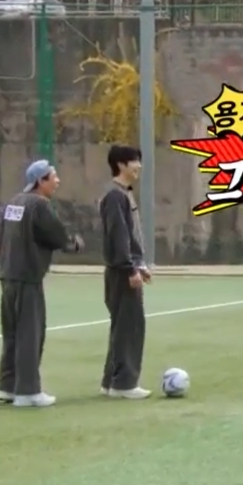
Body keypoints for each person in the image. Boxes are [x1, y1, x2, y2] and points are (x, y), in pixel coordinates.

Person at [0, 159, 84, 408]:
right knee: (30, 333)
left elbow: (0, 237)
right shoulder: (39, 205)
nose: (57, 181)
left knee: (12, 333)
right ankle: (28, 391)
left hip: (8, 275)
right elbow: (57, 236)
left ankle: (7, 386)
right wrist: (74, 244)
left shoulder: (13, 202)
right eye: (53, 177)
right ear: (40, 181)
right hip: (28, 277)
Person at [98, 145, 152, 399]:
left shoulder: (123, 194)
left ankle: (111, 381)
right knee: (130, 327)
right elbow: (118, 235)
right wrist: (130, 268)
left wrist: (139, 265)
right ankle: (124, 384)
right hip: (121, 272)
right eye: (134, 161)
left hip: (125, 268)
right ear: (121, 164)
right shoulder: (114, 196)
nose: (138, 166)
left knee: (123, 327)